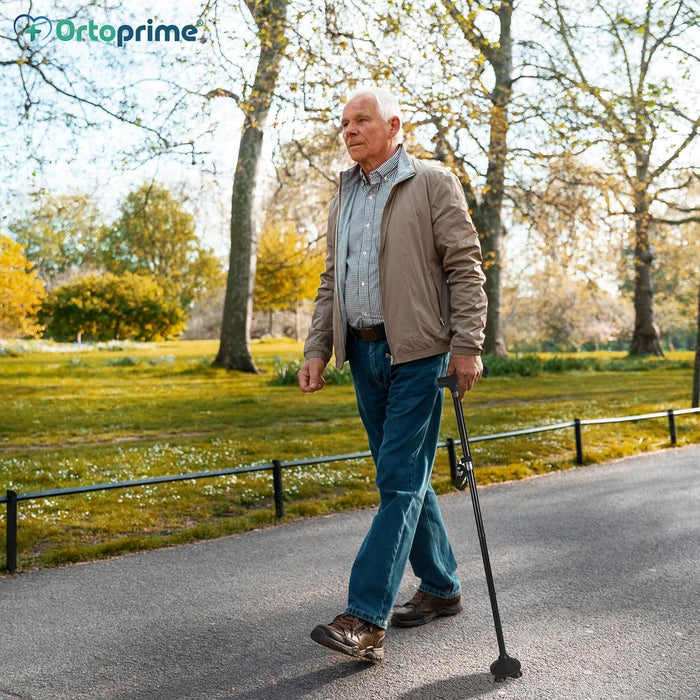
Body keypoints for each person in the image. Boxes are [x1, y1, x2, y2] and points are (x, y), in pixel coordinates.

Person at [298, 86, 488, 663]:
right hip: (363, 354)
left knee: (399, 482)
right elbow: (333, 280)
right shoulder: (343, 196)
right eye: (345, 123)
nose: (350, 130)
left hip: (420, 355)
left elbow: (465, 267)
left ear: (393, 125)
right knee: (404, 477)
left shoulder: (431, 183)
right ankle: (441, 587)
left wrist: (467, 345)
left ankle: (365, 617)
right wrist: (316, 348)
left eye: (362, 120)